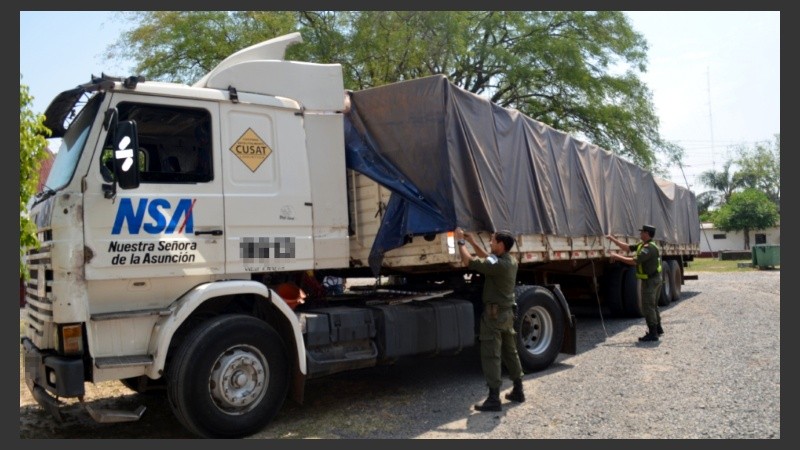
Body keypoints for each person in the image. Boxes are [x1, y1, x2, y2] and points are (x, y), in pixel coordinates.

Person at [454, 227, 525, 412]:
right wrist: (472, 242)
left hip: (494, 316)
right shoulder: (509, 260)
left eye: (492, 241)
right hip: (507, 314)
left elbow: (468, 261)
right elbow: (488, 257)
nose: (490, 243)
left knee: (491, 354)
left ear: (500, 245)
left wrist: (460, 241)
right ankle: (518, 390)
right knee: (510, 351)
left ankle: (494, 399)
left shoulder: (499, 265)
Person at [606, 225, 664, 342]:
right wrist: (613, 240)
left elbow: (634, 261)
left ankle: (653, 334)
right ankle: (658, 329)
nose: (640, 234)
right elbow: (628, 248)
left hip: (650, 281)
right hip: (654, 279)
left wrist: (616, 256)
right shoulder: (644, 245)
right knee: (653, 305)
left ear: (647, 234)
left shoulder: (648, 248)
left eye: (642, 232)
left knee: (648, 306)